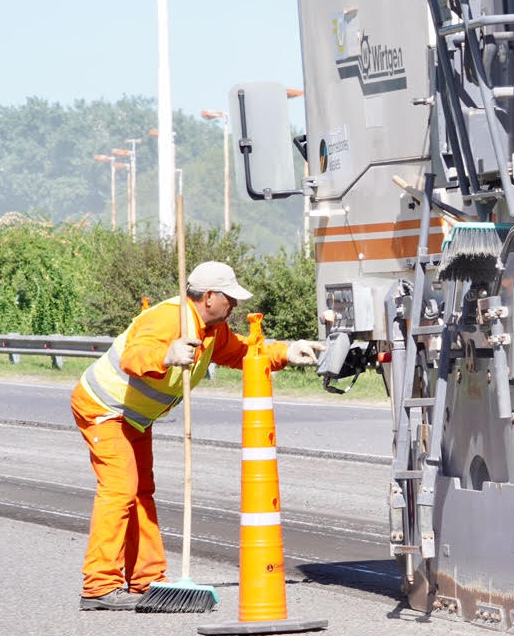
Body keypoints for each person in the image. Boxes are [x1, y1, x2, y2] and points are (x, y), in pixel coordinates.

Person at [71, 260, 326, 610]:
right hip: (104, 409)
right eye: (229, 298)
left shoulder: (212, 330)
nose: (235, 305)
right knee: (120, 490)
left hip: (135, 418)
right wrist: (167, 354)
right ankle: (99, 586)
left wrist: (284, 352)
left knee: (141, 492)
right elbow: (135, 356)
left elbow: (241, 351)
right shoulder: (167, 319)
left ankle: (146, 580)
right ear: (208, 297)